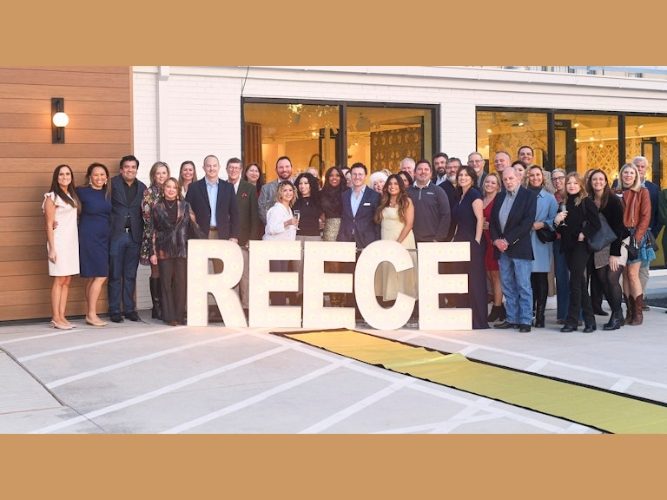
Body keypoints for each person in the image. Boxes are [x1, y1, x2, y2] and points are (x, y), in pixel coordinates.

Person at [490, 166, 537, 333]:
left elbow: (527, 223)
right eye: (505, 179)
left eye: (511, 178)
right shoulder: (500, 196)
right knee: (508, 285)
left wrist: (507, 240)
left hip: (519, 247)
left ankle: (525, 320)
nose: (508, 182)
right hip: (502, 249)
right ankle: (512, 318)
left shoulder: (528, 196)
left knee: (523, 285)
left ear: (518, 178)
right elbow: (493, 221)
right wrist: (496, 240)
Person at [150, 178, 202, 326]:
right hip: (163, 249)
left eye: (174, 187)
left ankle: (179, 316)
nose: (171, 190)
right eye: (168, 187)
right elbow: (152, 230)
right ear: (164, 189)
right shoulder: (157, 207)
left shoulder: (185, 206)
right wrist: (152, 252)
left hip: (181, 248)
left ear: (178, 190)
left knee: (181, 283)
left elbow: (194, 226)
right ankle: (169, 317)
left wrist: (203, 242)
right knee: (166, 283)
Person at [553, 173, 601, 333]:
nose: (572, 186)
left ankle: (572, 320)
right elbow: (561, 228)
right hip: (568, 246)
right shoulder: (564, 203)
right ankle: (590, 321)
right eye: (569, 183)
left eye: (575, 183)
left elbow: (596, 224)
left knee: (574, 282)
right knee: (579, 282)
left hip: (581, 246)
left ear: (580, 185)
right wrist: (556, 221)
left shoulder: (586, 202)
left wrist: (584, 233)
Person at [586, 169, 628, 330]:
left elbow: (618, 228)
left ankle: (616, 315)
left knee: (611, 278)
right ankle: (619, 314)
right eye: (594, 179)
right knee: (603, 280)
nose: (597, 182)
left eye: (601, 179)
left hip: (618, 242)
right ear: (590, 182)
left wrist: (615, 254)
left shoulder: (613, 200)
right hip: (601, 244)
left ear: (605, 182)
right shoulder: (588, 200)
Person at [109, 155, 147, 323]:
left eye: (133, 167)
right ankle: (115, 310)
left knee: (130, 274)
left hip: (134, 236)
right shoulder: (111, 184)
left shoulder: (143, 187)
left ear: (136, 170)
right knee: (115, 274)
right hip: (116, 235)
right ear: (121, 169)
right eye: (127, 167)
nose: (130, 170)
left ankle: (129, 309)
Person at [43, 164, 80, 330]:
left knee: (67, 280)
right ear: (56, 178)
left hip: (71, 242)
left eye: (67, 174)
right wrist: (52, 248)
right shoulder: (51, 197)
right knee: (59, 280)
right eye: (61, 174)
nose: (65, 177)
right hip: (58, 243)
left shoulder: (72, 195)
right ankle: (55, 318)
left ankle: (62, 316)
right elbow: (49, 224)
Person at [452, 165, 489, 329]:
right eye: (460, 175)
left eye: (466, 175)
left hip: (472, 243)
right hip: (460, 242)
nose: (462, 178)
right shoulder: (460, 196)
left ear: (472, 178)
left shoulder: (474, 194)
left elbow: (480, 219)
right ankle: (465, 317)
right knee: (463, 281)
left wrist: (477, 241)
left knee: (475, 282)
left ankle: (479, 320)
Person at [618, 162, 655, 325]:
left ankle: (638, 314)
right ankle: (629, 311)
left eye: (631, 173)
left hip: (635, 235)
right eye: (625, 173)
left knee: (633, 274)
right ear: (621, 175)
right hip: (620, 236)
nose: (628, 175)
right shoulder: (616, 192)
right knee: (625, 275)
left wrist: (637, 238)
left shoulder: (643, 192)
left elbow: (646, 217)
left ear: (636, 176)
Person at [77, 163, 112, 327]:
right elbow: (63, 202)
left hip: (104, 238)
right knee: (101, 275)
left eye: (102, 175)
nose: (99, 177)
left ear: (106, 177)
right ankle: (92, 314)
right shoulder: (81, 191)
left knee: (93, 276)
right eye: (96, 174)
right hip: (89, 237)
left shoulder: (107, 193)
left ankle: (89, 313)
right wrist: (53, 219)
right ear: (90, 177)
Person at [374, 174, 417, 304]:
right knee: (389, 269)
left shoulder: (407, 201)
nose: (392, 186)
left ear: (401, 186)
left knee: (402, 271)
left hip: (402, 240)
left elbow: (409, 224)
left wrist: (397, 244)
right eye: (390, 184)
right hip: (386, 240)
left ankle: (406, 303)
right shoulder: (384, 201)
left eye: (396, 184)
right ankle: (390, 301)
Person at [226, 157, 260, 315]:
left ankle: (246, 306)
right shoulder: (221, 186)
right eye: (230, 168)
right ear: (227, 169)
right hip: (226, 239)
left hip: (244, 238)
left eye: (236, 168)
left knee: (245, 274)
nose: (233, 170)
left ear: (241, 170)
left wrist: (251, 239)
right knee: (228, 273)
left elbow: (254, 216)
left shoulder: (249, 188)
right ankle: (231, 306)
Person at [526, 165, 557, 328]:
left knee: (540, 278)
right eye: (532, 175)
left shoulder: (550, 198)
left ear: (543, 177)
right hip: (524, 240)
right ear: (528, 177)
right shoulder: (522, 195)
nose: (535, 178)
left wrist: (543, 224)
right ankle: (528, 313)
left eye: (538, 175)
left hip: (541, 241)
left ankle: (540, 315)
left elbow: (555, 220)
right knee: (527, 279)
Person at [141, 161, 170, 320]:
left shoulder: (171, 189)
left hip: (170, 238)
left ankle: (166, 305)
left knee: (168, 271)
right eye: (158, 173)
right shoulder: (149, 193)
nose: (161, 176)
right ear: (153, 175)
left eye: (164, 173)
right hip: (154, 236)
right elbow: (147, 217)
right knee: (156, 270)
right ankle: (156, 307)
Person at [632, 156, 661, 312]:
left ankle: (640, 300)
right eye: (637, 165)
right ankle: (628, 298)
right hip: (627, 234)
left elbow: (657, 214)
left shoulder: (653, 188)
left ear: (646, 169)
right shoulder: (620, 184)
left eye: (642, 166)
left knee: (643, 269)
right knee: (627, 270)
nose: (639, 168)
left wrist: (653, 233)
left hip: (646, 235)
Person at [263, 181, 299, 305]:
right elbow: (271, 229)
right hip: (274, 250)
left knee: (281, 280)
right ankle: (277, 306)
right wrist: (288, 223)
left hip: (284, 250)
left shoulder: (289, 209)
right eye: (285, 190)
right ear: (280, 193)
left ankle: (280, 307)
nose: (288, 193)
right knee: (276, 281)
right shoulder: (276, 210)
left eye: (290, 190)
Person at [293, 172, 323, 302]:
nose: (302, 186)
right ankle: (298, 296)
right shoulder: (293, 200)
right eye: (300, 183)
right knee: (297, 268)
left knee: (313, 269)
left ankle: (313, 297)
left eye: (306, 183)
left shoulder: (318, 200)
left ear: (311, 185)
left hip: (314, 237)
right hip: (297, 237)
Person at [320, 166, 348, 306]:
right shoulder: (321, 193)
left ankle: (345, 296)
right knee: (332, 263)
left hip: (345, 228)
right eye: (331, 175)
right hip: (329, 229)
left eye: (337, 175)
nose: (334, 178)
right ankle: (334, 296)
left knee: (344, 262)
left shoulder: (347, 192)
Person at [407, 160, 451, 243]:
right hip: (410, 239)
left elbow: (446, 215)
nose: (423, 172)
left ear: (431, 173)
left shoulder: (439, 191)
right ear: (414, 173)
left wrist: (438, 238)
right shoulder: (407, 192)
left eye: (426, 169)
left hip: (432, 241)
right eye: (420, 169)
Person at [482, 173, 505, 323]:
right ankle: (501, 308)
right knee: (490, 275)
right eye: (487, 182)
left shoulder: (500, 200)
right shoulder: (482, 199)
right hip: (484, 241)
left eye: (493, 183)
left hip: (494, 240)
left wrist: (490, 226)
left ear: (498, 186)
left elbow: (503, 220)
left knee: (496, 276)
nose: (489, 184)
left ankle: (496, 308)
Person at [550, 168, 570, 324]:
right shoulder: (551, 198)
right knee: (561, 277)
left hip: (576, 242)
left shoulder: (574, 195)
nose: (557, 181)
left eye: (560, 178)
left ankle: (578, 314)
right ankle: (563, 314)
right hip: (558, 241)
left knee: (577, 278)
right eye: (554, 179)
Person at [258, 156, 294, 225]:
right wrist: (274, 225)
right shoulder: (266, 188)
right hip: (275, 229)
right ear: (276, 170)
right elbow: (261, 209)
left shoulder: (299, 184)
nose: (284, 169)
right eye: (281, 167)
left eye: (287, 166)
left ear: (291, 168)